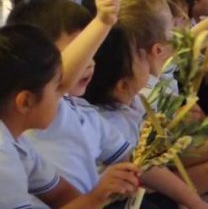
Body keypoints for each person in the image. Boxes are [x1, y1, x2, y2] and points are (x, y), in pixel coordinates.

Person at [0, 24, 141, 209]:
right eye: (57, 87)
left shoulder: (17, 141)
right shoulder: (3, 155)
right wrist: (96, 197)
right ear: (26, 101)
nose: (62, 96)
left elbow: (61, 196)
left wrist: (104, 193)